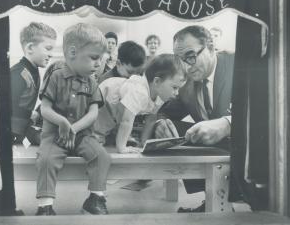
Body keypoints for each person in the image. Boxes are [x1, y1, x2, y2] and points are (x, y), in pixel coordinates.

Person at [154, 25, 234, 212]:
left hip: (252, 147)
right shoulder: (185, 83)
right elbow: (165, 112)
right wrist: (160, 123)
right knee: (172, 129)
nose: (185, 66)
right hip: (220, 149)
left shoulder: (238, 64)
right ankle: (212, 198)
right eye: (179, 59)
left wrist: (228, 123)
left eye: (190, 56)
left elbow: (267, 109)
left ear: (211, 46)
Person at [35, 23, 111, 216]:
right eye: (94, 58)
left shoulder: (92, 82)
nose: (98, 64)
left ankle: (95, 198)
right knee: (46, 160)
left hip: (82, 135)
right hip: (55, 136)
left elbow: (93, 113)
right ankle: (45, 206)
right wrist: (61, 122)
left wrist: (74, 128)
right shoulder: (56, 76)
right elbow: (45, 109)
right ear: (72, 52)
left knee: (101, 156)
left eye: (100, 59)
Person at [7, 22, 57, 215]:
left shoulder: (33, 69)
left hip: (22, 129)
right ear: (29, 48)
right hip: (11, 133)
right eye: (48, 48)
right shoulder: (18, 73)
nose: (51, 54)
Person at [93, 54, 186, 153]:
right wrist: (122, 148)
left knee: (114, 128)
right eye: (175, 87)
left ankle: (114, 139)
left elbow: (151, 119)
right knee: (98, 133)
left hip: (117, 109)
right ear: (157, 81)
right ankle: (97, 140)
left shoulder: (160, 96)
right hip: (104, 100)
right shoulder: (139, 91)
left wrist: (144, 143)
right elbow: (126, 120)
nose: (177, 93)